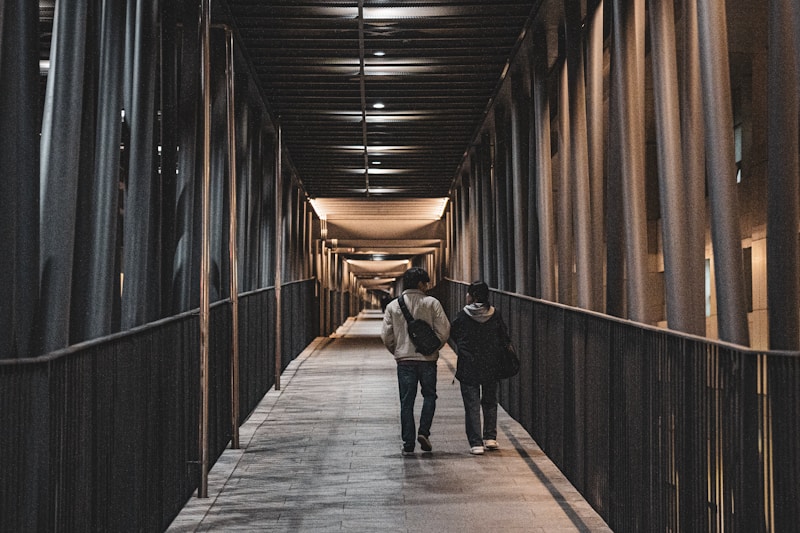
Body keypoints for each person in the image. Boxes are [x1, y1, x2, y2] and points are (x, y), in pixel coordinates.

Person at [381, 267, 450, 456]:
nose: (427, 286)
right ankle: (424, 432)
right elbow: (444, 330)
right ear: (420, 283)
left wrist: (397, 350)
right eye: (425, 283)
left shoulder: (393, 306)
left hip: (404, 361)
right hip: (427, 360)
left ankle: (408, 443)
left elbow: (386, 335)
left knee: (406, 402)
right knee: (429, 396)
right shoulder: (432, 303)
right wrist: (433, 348)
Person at [450, 281, 510, 455]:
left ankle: (476, 443)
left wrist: (465, 349)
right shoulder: (495, 314)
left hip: (469, 365)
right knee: (490, 401)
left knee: (472, 404)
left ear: (472, 296)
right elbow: (504, 337)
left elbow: (454, 334)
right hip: (492, 364)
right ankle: (490, 437)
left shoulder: (462, 315)